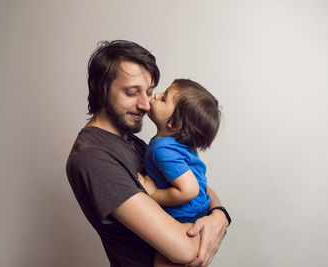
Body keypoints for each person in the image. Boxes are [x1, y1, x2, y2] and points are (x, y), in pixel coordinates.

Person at [66, 40, 230, 267]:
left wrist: (219, 216)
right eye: (132, 92)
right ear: (98, 87)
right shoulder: (94, 158)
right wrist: (211, 223)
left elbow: (195, 184)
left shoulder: (134, 142)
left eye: (150, 92)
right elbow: (185, 250)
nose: (145, 104)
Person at [138, 79, 231, 266]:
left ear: (175, 123)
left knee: (164, 259)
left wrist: (155, 194)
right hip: (198, 209)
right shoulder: (176, 144)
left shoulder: (164, 151)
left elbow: (189, 190)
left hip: (185, 215)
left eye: (164, 98)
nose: (156, 95)